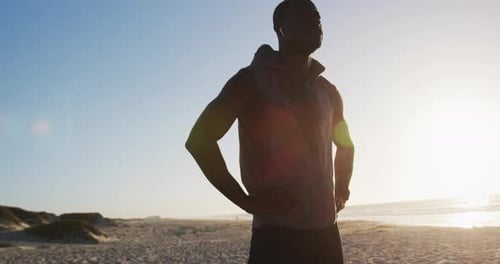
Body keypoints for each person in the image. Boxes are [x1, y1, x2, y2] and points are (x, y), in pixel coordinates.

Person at [185, 0, 354, 263]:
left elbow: (345, 145)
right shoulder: (250, 81)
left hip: (326, 235)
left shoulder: (328, 92)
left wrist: (341, 190)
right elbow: (199, 140)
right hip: (276, 238)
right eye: (304, 15)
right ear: (279, 28)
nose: (316, 22)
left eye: (317, 17)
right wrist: (247, 203)